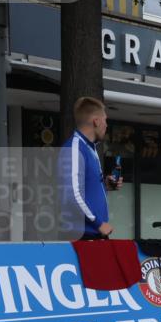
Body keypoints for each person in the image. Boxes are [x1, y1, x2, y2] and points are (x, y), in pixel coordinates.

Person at [58, 97, 122, 240]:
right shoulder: (75, 149)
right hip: (82, 236)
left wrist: (105, 186)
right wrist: (98, 223)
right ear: (96, 121)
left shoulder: (89, 147)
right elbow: (73, 195)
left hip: (93, 235)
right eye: (105, 120)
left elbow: (84, 190)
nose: (106, 125)